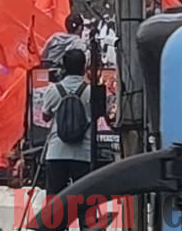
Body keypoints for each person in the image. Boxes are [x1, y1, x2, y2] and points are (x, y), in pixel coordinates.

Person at [41, 48, 106, 230]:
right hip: (83, 154)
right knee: (86, 201)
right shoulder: (91, 92)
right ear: (84, 66)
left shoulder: (53, 91)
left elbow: (45, 116)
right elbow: (99, 115)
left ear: (64, 67)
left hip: (56, 153)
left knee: (54, 204)